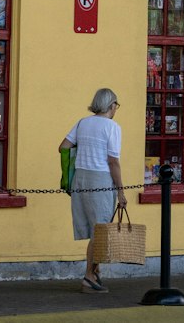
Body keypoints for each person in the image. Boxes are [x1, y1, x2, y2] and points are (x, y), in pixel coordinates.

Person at [59, 87, 127, 293]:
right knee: (101, 231)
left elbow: (63, 146)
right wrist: (121, 192)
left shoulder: (83, 123)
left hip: (81, 178)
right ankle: (89, 276)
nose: (116, 108)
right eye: (116, 105)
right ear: (111, 105)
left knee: (93, 230)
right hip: (100, 179)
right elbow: (113, 161)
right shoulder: (112, 127)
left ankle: (95, 273)